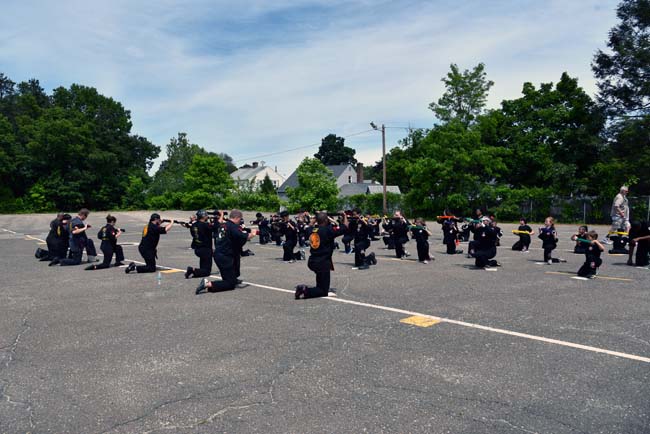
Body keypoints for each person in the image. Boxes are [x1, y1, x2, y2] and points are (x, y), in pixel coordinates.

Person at [195, 209, 256, 294]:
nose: (240, 221)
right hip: (224, 256)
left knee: (231, 279)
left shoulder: (223, 225)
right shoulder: (232, 226)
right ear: (237, 218)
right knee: (230, 284)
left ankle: (223, 282)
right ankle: (208, 284)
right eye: (240, 219)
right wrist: (252, 234)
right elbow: (242, 236)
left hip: (219, 254)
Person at [295, 211, 349, 299]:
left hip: (312, 261)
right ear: (326, 220)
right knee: (323, 291)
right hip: (323, 262)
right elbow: (345, 226)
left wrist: (314, 219)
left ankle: (317, 288)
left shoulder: (312, 230)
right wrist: (344, 216)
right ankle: (304, 290)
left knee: (320, 282)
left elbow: (308, 226)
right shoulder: (328, 230)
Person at [185, 210, 213, 279]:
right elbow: (215, 228)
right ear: (203, 216)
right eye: (206, 215)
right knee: (207, 271)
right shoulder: (205, 225)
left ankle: (196, 272)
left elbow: (193, 234)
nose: (207, 216)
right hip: (205, 249)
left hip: (197, 248)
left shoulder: (194, 225)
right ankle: (192, 270)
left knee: (203, 267)